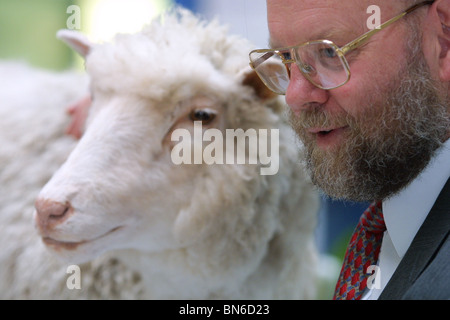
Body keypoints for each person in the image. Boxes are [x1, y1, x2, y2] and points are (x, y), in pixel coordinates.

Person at [249, 0, 449, 299]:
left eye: (330, 52)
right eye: (287, 58)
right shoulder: (390, 230)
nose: (294, 95)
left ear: (442, 40)